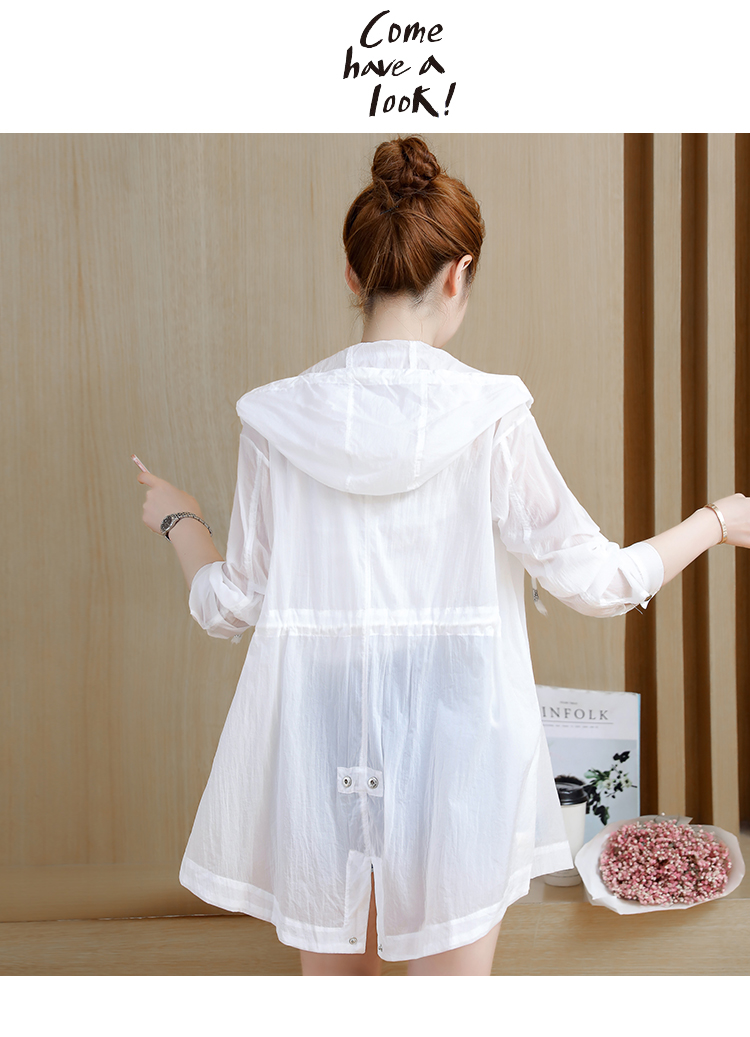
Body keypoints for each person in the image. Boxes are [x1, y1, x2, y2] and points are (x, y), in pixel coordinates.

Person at [136, 136, 750, 976]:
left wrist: (181, 519)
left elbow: (230, 604)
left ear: (353, 275)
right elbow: (600, 581)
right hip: (462, 755)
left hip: (322, 749)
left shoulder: (277, 421)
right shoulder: (491, 417)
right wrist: (719, 519)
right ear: (459, 275)